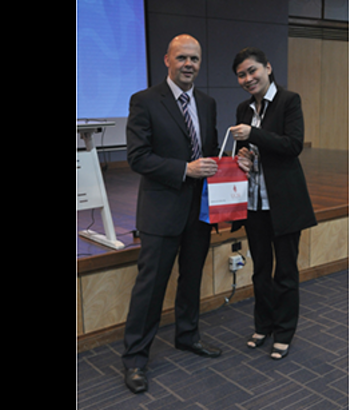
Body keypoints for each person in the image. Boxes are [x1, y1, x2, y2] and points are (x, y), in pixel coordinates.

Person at [121, 34, 222, 394]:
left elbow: (208, 152)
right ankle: (135, 359)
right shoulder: (145, 101)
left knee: (191, 279)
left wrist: (230, 164)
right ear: (167, 60)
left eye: (194, 58)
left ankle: (187, 336)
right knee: (150, 290)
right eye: (182, 58)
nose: (189, 64)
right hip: (162, 212)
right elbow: (138, 157)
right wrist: (185, 169)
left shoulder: (207, 102)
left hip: (199, 212)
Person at [229, 47, 317, 360]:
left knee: (286, 271)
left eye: (253, 71)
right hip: (253, 203)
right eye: (241, 74)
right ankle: (262, 325)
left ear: (268, 67)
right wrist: (245, 156)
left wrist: (254, 133)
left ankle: (284, 331)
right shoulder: (243, 108)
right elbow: (246, 150)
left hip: (284, 203)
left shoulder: (289, 101)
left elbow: (292, 145)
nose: (248, 78)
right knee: (260, 270)